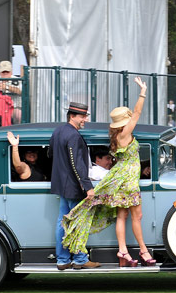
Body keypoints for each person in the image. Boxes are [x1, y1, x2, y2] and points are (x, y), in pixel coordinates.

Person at [64, 77, 152, 268]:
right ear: (124, 123)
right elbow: (137, 112)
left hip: (121, 179)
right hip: (128, 181)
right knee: (137, 216)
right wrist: (142, 92)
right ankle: (144, 251)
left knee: (123, 216)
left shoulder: (116, 136)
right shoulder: (125, 134)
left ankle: (123, 251)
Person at [48, 101, 99, 270]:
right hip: (73, 187)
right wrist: (88, 187)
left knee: (62, 222)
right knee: (78, 222)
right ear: (72, 116)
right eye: (82, 116)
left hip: (61, 185)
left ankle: (62, 260)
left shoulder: (58, 131)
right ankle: (80, 259)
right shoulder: (74, 136)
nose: (85, 119)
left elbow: (50, 154)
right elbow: (77, 164)